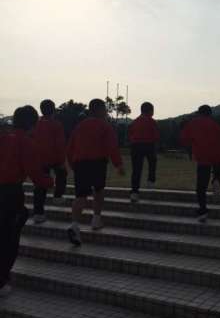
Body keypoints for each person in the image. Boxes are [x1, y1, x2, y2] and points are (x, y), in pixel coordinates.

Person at [0, 106, 53, 297]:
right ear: (33, 123)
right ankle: (1, 281)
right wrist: (50, 182)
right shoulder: (25, 142)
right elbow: (35, 174)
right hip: (10, 193)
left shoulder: (3, 137)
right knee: (8, 239)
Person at [67, 99, 124, 246]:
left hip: (80, 163)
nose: (106, 112)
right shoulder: (104, 126)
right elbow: (112, 146)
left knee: (80, 195)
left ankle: (74, 225)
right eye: (104, 109)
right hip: (97, 162)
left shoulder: (79, 126)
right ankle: (96, 219)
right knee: (98, 190)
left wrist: (73, 165)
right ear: (99, 110)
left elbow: (70, 147)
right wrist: (118, 164)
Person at [180, 105, 220, 223]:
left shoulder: (193, 123)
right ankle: (216, 179)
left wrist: (192, 145)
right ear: (210, 114)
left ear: (199, 113)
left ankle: (203, 211)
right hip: (218, 155)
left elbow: (184, 139)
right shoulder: (216, 125)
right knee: (218, 170)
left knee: (201, 187)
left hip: (202, 156)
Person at [32, 99, 67, 224]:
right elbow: (60, 144)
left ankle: (38, 213)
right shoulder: (56, 125)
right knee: (62, 174)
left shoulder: (36, 124)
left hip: (39, 159)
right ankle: (57, 196)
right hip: (54, 157)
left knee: (40, 187)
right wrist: (62, 161)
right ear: (53, 110)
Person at [129, 102, 159, 203]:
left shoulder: (134, 122)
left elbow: (131, 134)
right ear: (150, 111)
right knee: (152, 162)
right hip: (149, 145)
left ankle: (134, 193)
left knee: (136, 170)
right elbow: (156, 136)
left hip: (136, 146)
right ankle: (151, 180)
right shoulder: (152, 122)